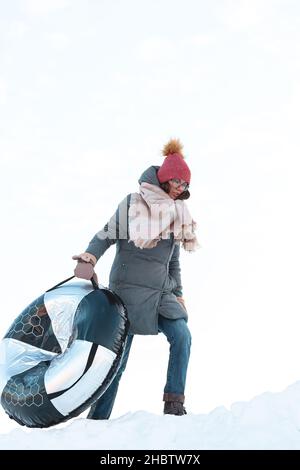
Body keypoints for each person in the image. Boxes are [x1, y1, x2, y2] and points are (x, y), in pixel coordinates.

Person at [72, 138, 200, 418]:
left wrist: (179, 294)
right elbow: (105, 234)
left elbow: (173, 262)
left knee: (182, 336)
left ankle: (174, 405)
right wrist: (89, 257)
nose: (182, 188)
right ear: (165, 179)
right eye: (179, 182)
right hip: (126, 294)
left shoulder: (177, 214)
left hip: (160, 295)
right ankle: (97, 422)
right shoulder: (133, 204)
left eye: (186, 185)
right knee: (117, 363)